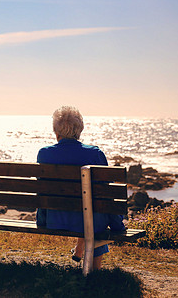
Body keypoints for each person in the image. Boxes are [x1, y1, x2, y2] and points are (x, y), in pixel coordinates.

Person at [36, 105, 125, 269]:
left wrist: (42, 218)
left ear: (56, 132)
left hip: (54, 219)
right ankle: (94, 271)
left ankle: (80, 251)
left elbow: (43, 189)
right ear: (80, 131)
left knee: (88, 211)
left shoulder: (44, 154)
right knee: (92, 215)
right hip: (88, 220)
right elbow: (105, 194)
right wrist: (117, 224)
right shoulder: (95, 154)